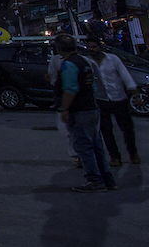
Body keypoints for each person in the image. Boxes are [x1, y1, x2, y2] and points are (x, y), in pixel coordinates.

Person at [56, 34, 117, 192]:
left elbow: (70, 89)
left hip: (80, 111)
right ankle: (107, 180)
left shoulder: (69, 64)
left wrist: (64, 108)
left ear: (59, 48)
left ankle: (95, 180)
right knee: (96, 146)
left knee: (84, 147)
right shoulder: (85, 62)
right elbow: (93, 86)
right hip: (92, 108)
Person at [88, 37, 140, 166]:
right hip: (101, 99)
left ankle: (133, 153)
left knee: (127, 128)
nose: (91, 50)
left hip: (118, 97)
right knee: (106, 130)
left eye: (94, 47)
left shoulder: (113, 59)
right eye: (89, 47)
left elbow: (126, 76)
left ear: (100, 48)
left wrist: (135, 94)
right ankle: (115, 156)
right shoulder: (88, 62)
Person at [47, 45, 80, 167]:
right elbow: (52, 77)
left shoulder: (78, 61)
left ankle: (81, 156)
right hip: (64, 96)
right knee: (68, 130)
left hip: (76, 98)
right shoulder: (56, 60)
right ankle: (78, 155)